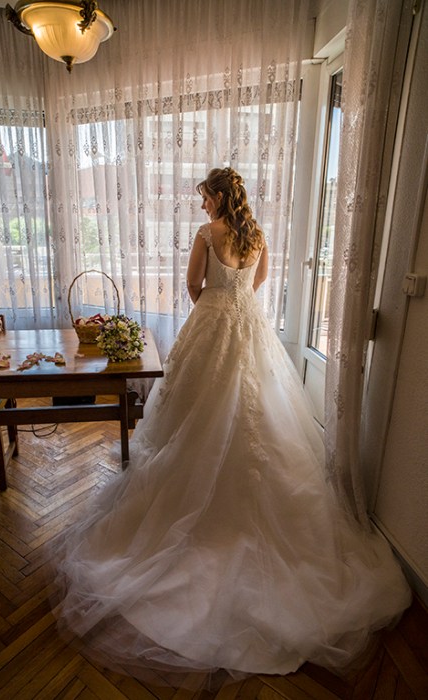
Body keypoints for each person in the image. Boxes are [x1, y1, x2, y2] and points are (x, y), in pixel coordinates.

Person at [52, 167, 411, 688]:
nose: (202, 206)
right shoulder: (257, 235)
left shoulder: (207, 234)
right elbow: (260, 281)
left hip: (213, 322)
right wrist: (237, 301)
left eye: (204, 197)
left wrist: (214, 307)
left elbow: (193, 286)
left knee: (198, 409)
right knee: (258, 407)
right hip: (249, 324)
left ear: (219, 196)